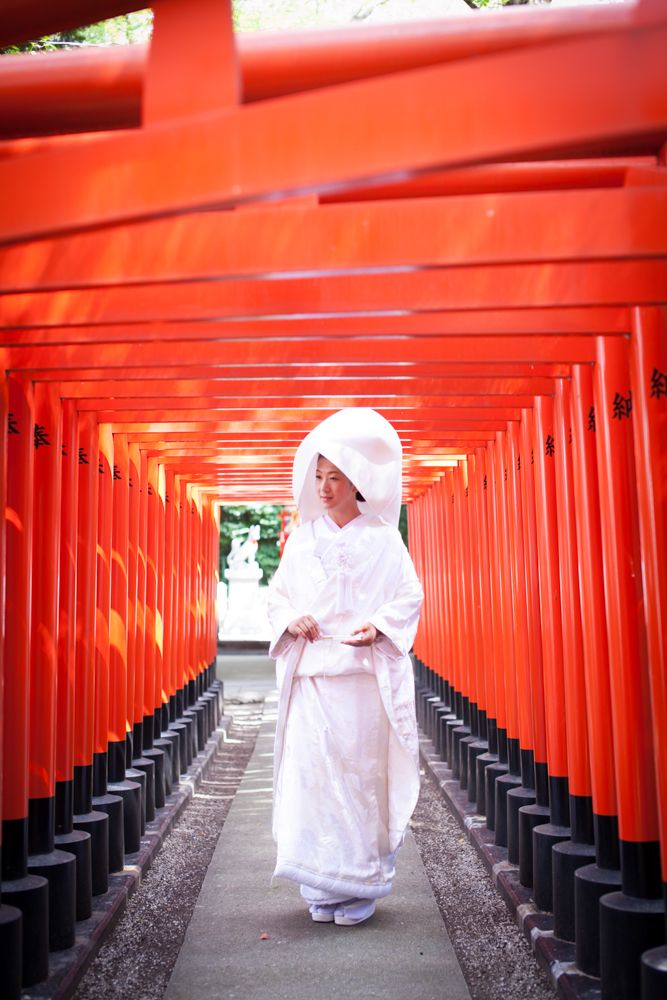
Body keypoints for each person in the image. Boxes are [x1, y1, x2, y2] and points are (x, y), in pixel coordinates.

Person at [267, 408, 423, 927]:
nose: (325, 487)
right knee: (313, 780)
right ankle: (319, 882)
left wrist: (378, 626)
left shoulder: (384, 539)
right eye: (319, 476)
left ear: (356, 482)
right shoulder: (304, 539)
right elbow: (278, 599)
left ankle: (357, 884)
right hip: (313, 682)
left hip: (360, 684)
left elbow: (408, 597)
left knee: (359, 779)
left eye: (335, 477)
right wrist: (294, 619)